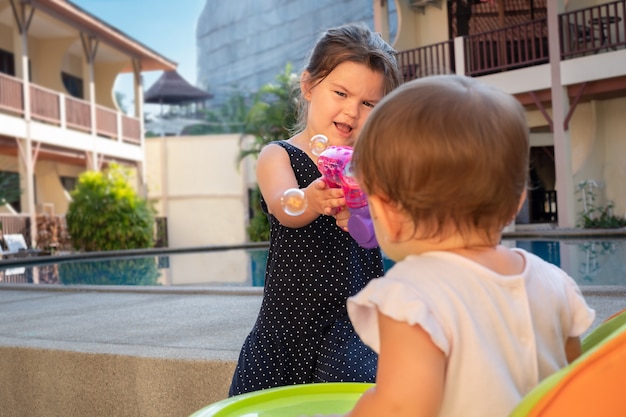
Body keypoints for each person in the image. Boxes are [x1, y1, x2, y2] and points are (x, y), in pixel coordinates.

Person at [313, 75, 596, 417]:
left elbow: (401, 408)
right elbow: (573, 387)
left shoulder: (411, 298)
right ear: (516, 201)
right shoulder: (555, 283)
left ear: (386, 211)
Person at [228, 23, 403, 396]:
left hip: (352, 324)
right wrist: (311, 200)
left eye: (368, 103)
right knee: (260, 400)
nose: (352, 111)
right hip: (287, 325)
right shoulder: (280, 156)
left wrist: (359, 216)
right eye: (341, 92)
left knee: (349, 398)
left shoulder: (369, 168)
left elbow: (378, 235)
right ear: (308, 87)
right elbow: (283, 204)